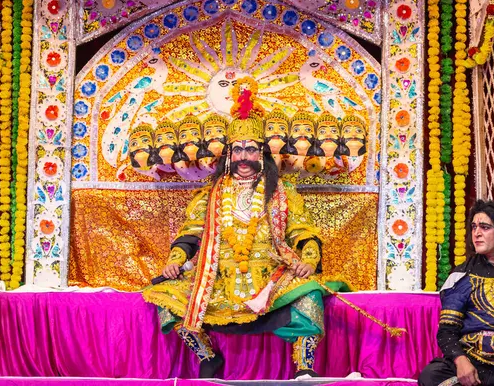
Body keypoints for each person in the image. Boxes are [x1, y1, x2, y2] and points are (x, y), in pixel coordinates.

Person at [142, 76, 349, 379]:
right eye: (236, 150)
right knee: (163, 295)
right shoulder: (210, 194)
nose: (243, 157)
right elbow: (190, 233)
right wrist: (175, 261)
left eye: (250, 150)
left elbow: (302, 230)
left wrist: (309, 259)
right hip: (217, 283)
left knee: (309, 295)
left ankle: (306, 368)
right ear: (228, 155)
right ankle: (207, 357)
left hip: (270, 280)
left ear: (261, 154)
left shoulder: (281, 191)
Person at [419, 200, 494, 386]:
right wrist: (461, 361)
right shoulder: (461, 276)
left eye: (485, 227)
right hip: (474, 363)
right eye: (474, 227)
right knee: (430, 377)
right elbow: (447, 331)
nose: (476, 233)